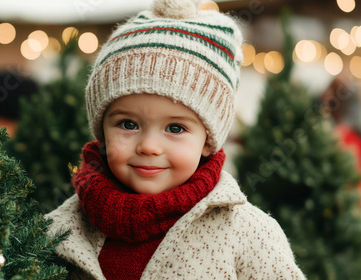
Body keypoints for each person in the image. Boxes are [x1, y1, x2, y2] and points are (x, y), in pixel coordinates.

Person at [46, 0, 306, 278]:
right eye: (128, 124)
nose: (148, 146)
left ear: (208, 140)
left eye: (175, 129)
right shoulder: (59, 229)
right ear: (102, 130)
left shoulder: (249, 234)